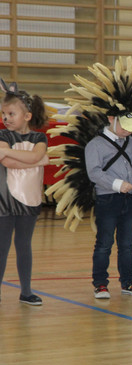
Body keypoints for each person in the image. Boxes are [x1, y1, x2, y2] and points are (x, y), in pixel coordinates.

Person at [85, 112, 132, 299]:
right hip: (107, 199)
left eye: (131, 128)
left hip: (129, 199)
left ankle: (128, 281)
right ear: (112, 119)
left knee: (127, 244)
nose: (128, 131)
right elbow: (94, 172)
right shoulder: (95, 145)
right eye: (125, 126)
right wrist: (118, 184)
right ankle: (100, 284)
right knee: (104, 244)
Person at [0, 80, 49, 305]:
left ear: (27, 116)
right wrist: (36, 160)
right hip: (4, 200)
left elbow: (31, 156)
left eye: (10, 113)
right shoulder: (3, 136)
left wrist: (15, 155)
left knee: (24, 245)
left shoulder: (39, 138)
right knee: (2, 246)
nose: (5, 118)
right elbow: (18, 162)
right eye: (3, 113)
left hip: (29, 200)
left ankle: (26, 291)